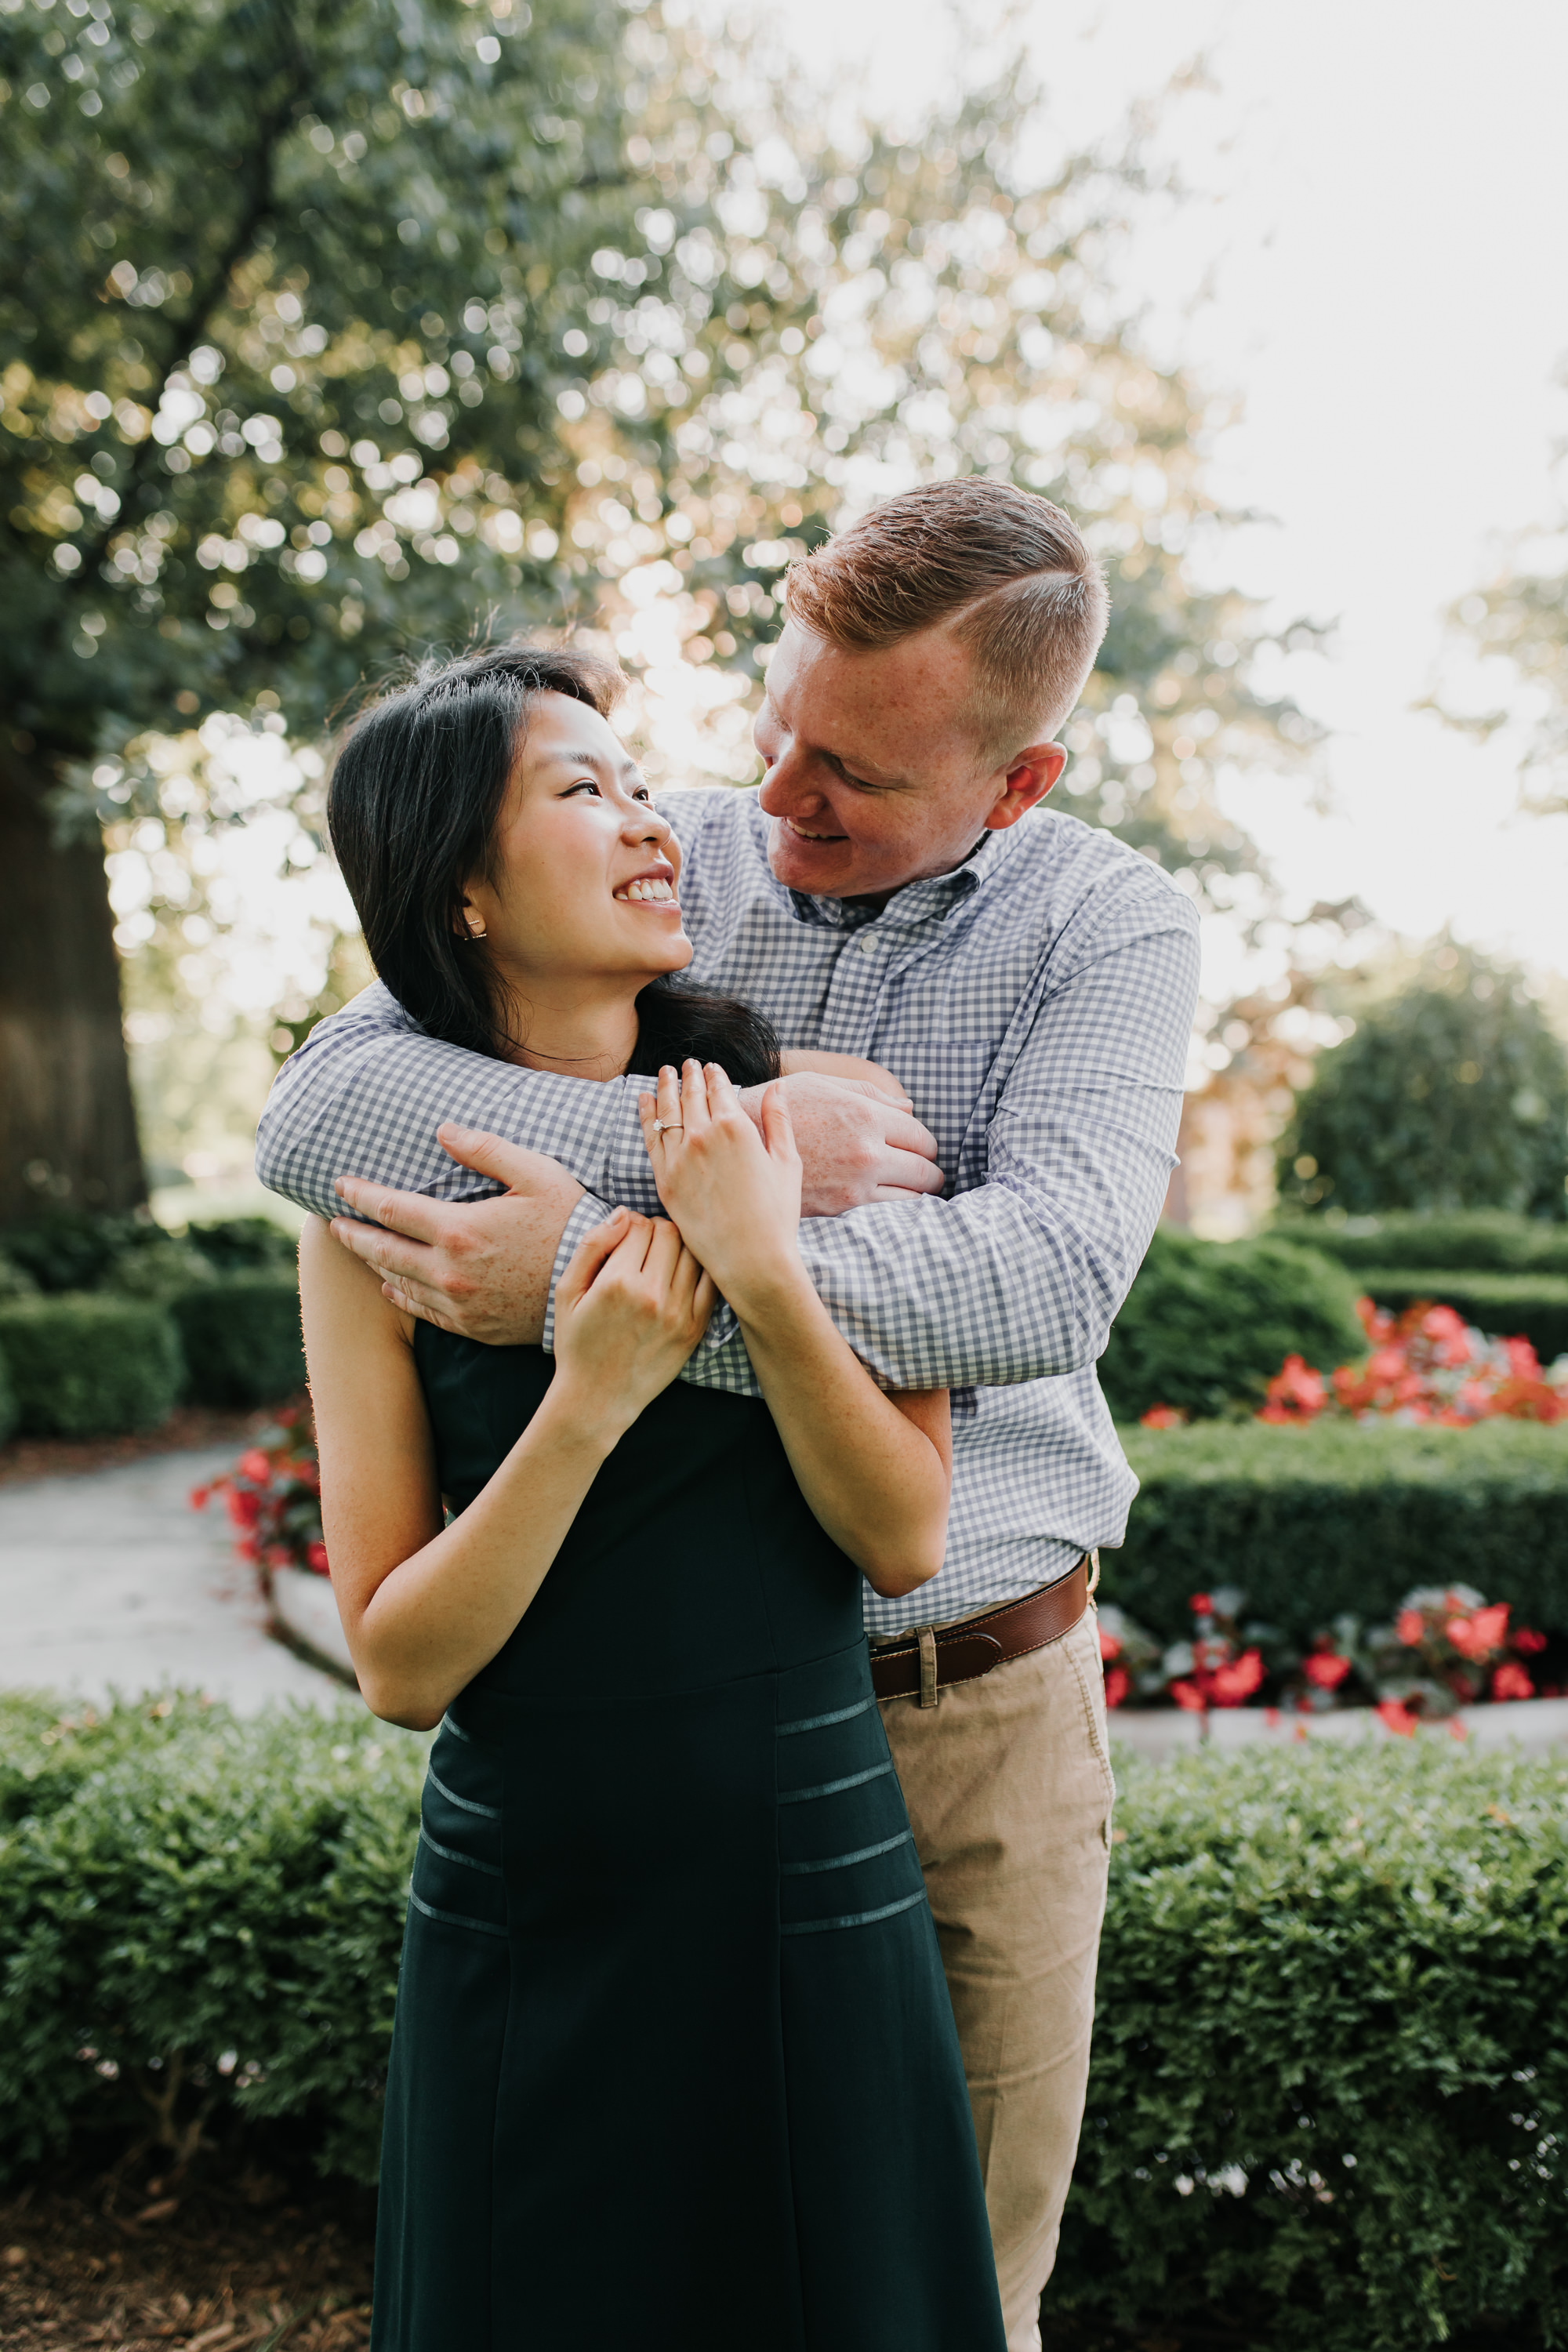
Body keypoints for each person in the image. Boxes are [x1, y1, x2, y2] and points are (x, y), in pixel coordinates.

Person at [259, 479, 1202, 2350]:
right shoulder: (654, 849)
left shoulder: (1113, 932)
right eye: (774, 730)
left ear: (1011, 786)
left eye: (846, 772)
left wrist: (604, 1281)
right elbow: (315, 1120)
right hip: (622, 1753)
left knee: (938, 2298)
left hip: (957, 1712)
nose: (766, 807)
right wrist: (700, 1168)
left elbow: (1030, 1289)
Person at [299, 644, 1009, 2350]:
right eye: (578, 790)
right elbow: (401, 1669)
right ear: (459, 889)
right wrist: (590, 1389)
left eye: (637, 786)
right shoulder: (366, 1221)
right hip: (527, 1894)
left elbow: (901, 1533)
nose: (650, 823)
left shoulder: (830, 1130)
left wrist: (762, 1276)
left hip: (800, 1878)